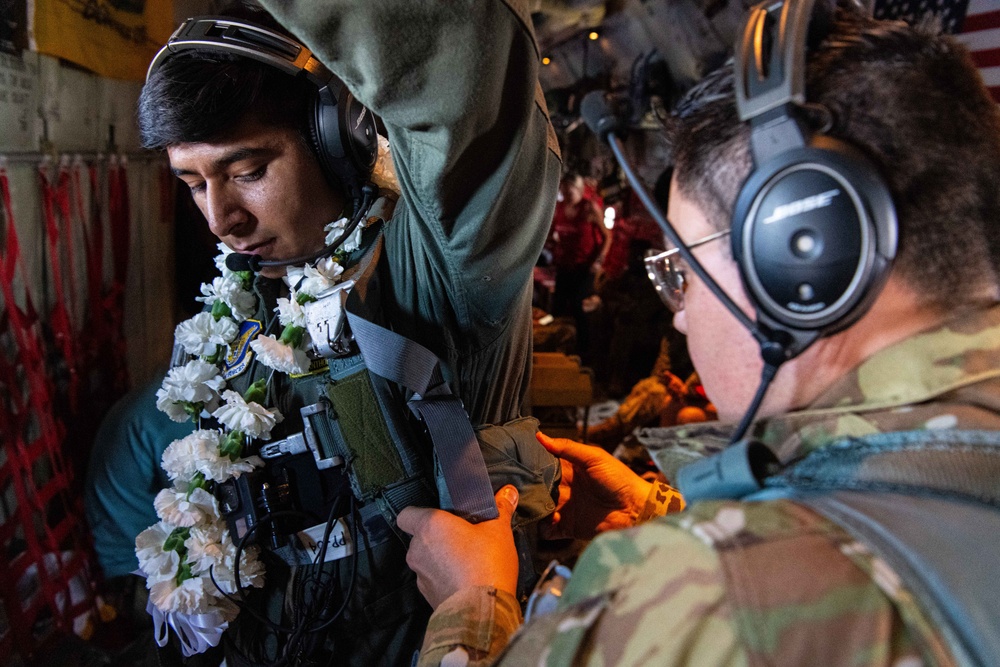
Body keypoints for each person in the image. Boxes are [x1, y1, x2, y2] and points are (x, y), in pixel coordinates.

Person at [397, 1, 1000, 664]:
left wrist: (473, 603)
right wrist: (666, 509)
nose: (679, 314)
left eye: (682, 270)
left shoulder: (706, 595)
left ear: (799, 255)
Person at [136, 1, 561, 664]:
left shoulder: (434, 270)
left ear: (339, 138)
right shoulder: (239, 312)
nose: (221, 218)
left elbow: (464, 71)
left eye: (249, 172)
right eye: (193, 183)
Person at [547, 172, 613, 359]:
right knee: (558, 307)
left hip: (584, 267)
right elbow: (551, 234)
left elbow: (607, 236)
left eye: (571, 191)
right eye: (564, 191)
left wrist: (599, 260)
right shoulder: (559, 208)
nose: (567, 195)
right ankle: (556, 348)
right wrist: (551, 245)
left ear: (579, 190)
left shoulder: (589, 208)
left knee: (578, 307)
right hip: (564, 266)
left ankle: (584, 353)